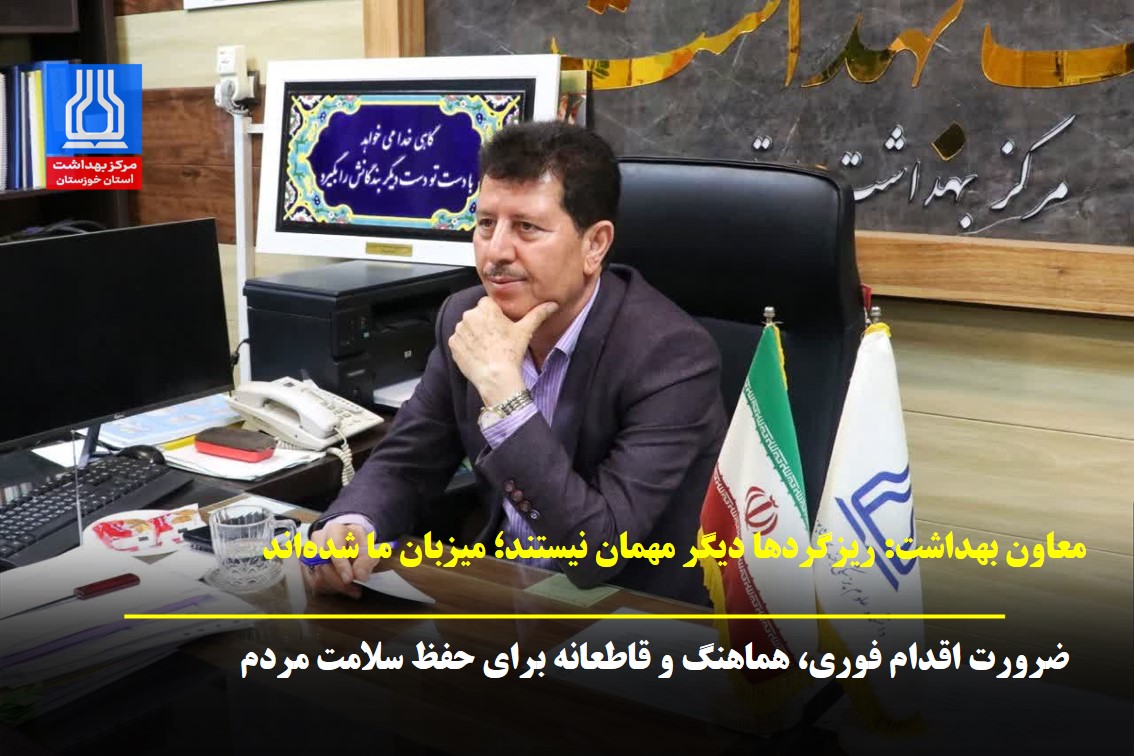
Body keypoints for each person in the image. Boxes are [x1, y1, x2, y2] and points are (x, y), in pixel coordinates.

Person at [305, 121, 727, 604]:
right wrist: (352, 523)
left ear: (594, 245)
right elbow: (407, 462)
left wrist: (505, 397)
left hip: (632, 612)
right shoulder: (466, 317)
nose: (496, 252)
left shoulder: (671, 355)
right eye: (486, 224)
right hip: (507, 592)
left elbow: (599, 551)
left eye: (527, 227)